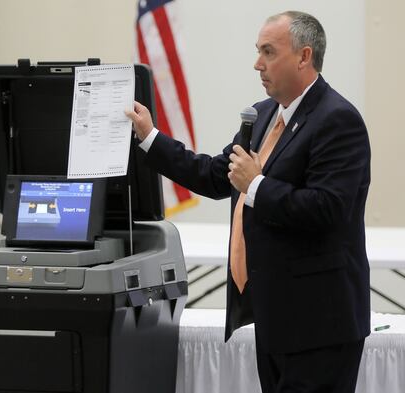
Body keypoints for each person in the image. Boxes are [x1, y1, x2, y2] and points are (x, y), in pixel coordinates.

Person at [126, 10, 371, 393]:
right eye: (258, 51)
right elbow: (212, 175)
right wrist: (150, 138)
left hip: (321, 324)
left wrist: (256, 185)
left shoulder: (338, 120)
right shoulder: (261, 115)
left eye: (268, 52)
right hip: (275, 317)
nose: (257, 63)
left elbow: (328, 209)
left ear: (304, 57)